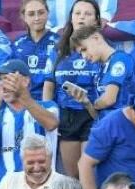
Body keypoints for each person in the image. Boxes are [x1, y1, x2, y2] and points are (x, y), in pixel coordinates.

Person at [0, 57, 58, 189]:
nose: (3, 84)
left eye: (8, 79)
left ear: (25, 81)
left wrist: (22, 95)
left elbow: (51, 123)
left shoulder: (48, 106)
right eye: (1, 80)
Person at [51, 0, 101, 176]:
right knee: (72, 178)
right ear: (71, 18)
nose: (81, 17)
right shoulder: (58, 50)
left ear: (96, 20)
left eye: (87, 14)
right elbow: (49, 87)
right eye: (77, 13)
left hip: (92, 115)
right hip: (67, 116)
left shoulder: (103, 49)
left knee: (89, 175)